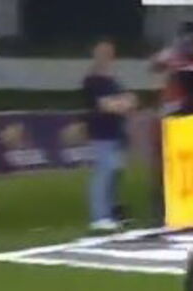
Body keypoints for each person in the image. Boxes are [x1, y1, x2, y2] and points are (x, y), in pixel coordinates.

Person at [148, 26, 193, 225]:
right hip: (173, 117)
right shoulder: (175, 59)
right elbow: (155, 65)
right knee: (165, 169)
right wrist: (170, 57)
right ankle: (162, 212)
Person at [82, 39, 137, 232]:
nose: (107, 58)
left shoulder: (112, 81)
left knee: (114, 173)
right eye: (103, 54)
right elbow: (107, 105)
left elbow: (130, 101)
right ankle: (99, 216)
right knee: (104, 173)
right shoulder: (93, 81)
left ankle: (112, 211)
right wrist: (122, 103)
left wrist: (122, 103)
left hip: (116, 132)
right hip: (102, 132)